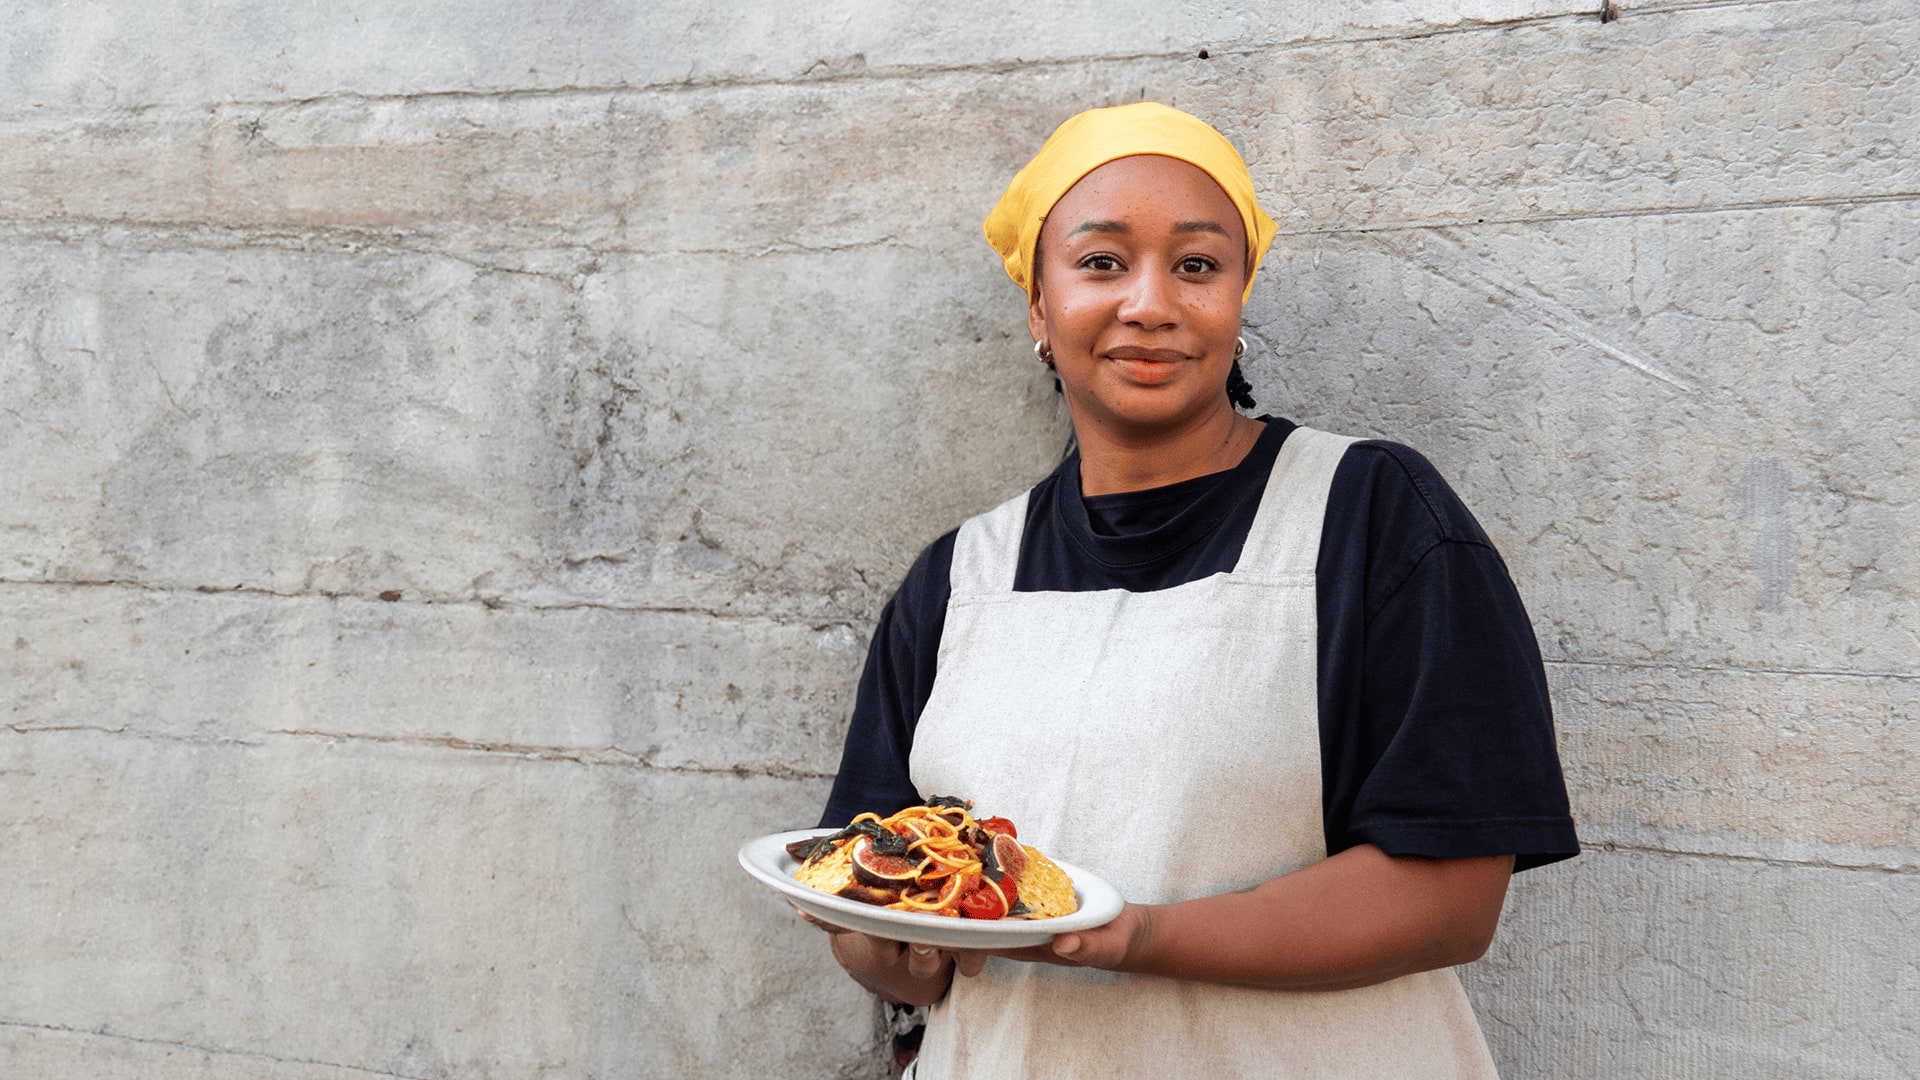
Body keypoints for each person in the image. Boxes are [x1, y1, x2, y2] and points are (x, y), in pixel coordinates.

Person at [804, 102, 1578, 1078]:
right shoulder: (958, 580)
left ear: (1239, 297)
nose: (1151, 303)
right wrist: (894, 944)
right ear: (1038, 308)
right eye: (1100, 264)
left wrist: (1136, 937)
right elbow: (868, 909)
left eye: (1198, 265)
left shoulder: (1372, 517)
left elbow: (1453, 897)